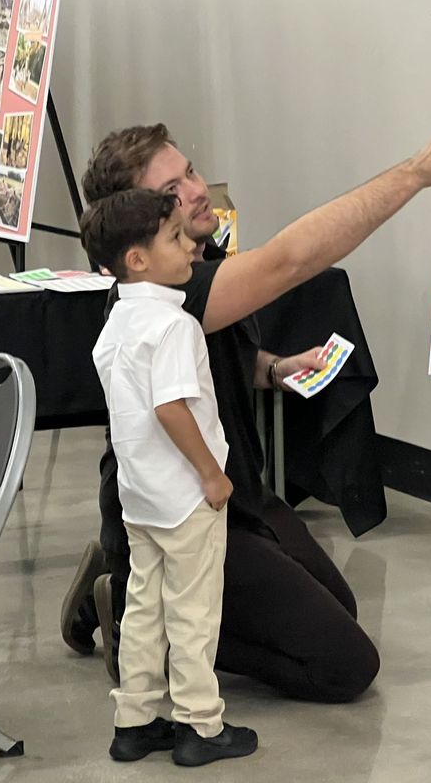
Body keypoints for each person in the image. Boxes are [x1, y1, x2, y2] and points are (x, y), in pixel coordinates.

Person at [60, 118, 431, 703]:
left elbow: (208, 358)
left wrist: (273, 369)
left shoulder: (196, 261)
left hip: (238, 497)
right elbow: (291, 260)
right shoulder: (169, 284)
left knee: (342, 605)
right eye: (173, 190)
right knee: (345, 666)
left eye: (190, 171)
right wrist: (416, 172)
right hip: (187, 515)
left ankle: (129, 593)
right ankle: (141, 615)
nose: (198, 188)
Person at [83, 189, 257, 767]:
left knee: (143, 610)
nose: (192, 245)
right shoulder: (174, 325)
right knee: (194, 612)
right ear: (137, 259)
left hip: (140, 498)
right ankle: (200, 727)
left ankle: (133, 721)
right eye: (177, 239)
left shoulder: (117, 321)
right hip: (186, 497)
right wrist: (213, 475)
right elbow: (172, 408)